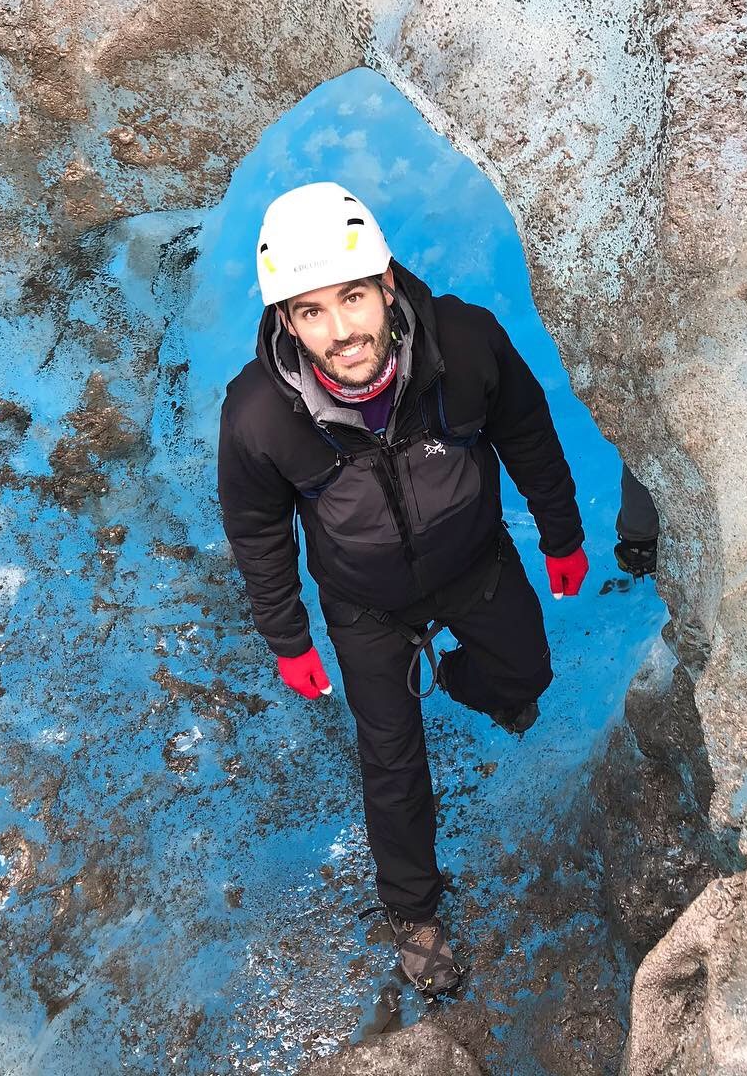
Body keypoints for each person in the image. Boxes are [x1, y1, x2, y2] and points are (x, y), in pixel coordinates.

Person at [217, 181, 589, 998]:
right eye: (310, 311)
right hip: (365, 608)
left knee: (525, 681)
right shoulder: (259, 414)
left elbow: (528, 430)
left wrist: (560, 532)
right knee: (391, 765)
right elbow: (258, 532)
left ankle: (459, 677)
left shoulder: (464, 344)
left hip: (475, 565)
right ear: (286, 320)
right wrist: (288, 637)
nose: (341, 332)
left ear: (387, 284)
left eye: (352, 298)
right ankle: (414, 916)